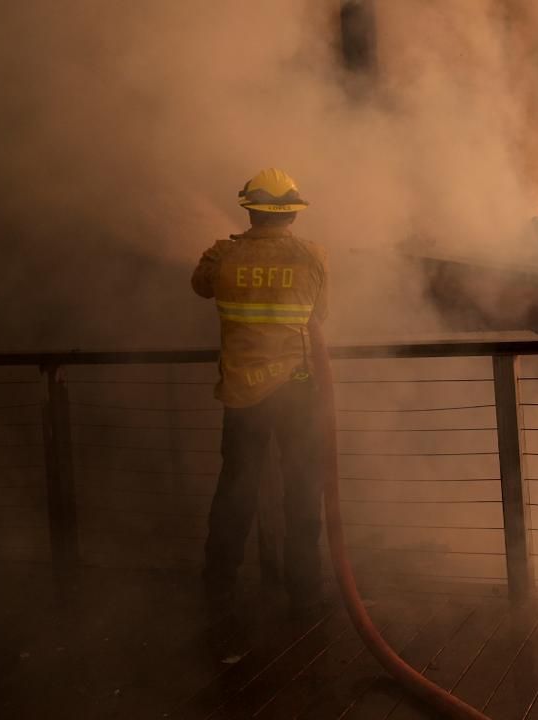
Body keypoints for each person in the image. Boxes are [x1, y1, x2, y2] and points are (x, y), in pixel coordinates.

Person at [191, 168, 329, 633]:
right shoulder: (311, 256)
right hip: (298, 389)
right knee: (303, 493)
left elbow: (199, 284)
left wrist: (224, 250)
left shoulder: (226, 256)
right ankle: (306, 595)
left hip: (243, 393)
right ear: (292, 211)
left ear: (249, 209)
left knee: (235, 492)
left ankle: (218, 590)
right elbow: (320, 315)